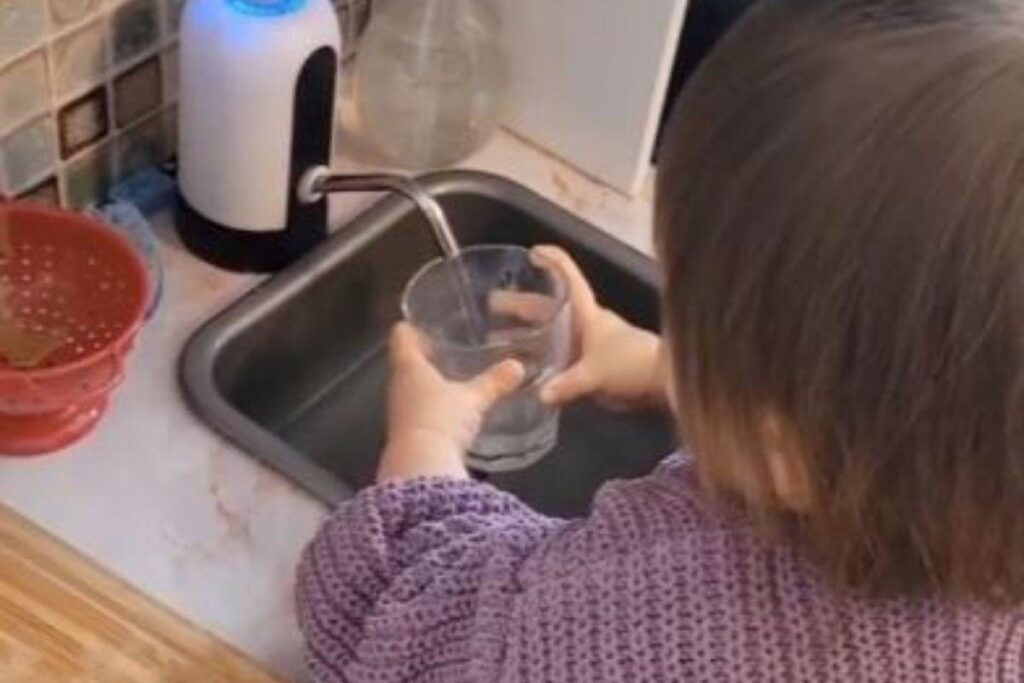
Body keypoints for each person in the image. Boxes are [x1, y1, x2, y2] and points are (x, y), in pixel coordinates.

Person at [295, 1, 1024, 680]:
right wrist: (665, 369)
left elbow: (400, 633)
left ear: (782, 450)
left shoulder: (667, 619)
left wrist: (425, 444)